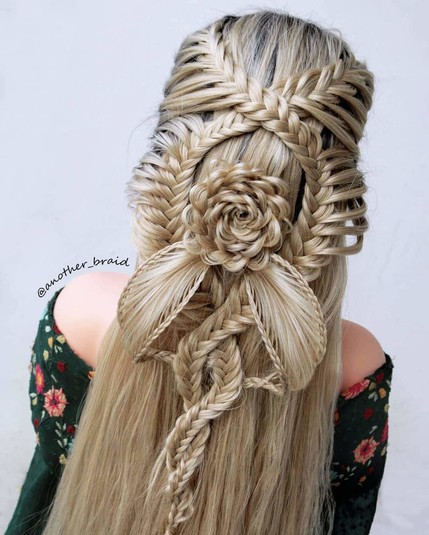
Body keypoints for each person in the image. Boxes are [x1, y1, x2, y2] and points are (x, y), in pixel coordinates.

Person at [5, 9, 394, 535]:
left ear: (165, 159)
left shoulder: (80, 315)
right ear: (336, 198)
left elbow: (40, 501)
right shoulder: (353, 367)